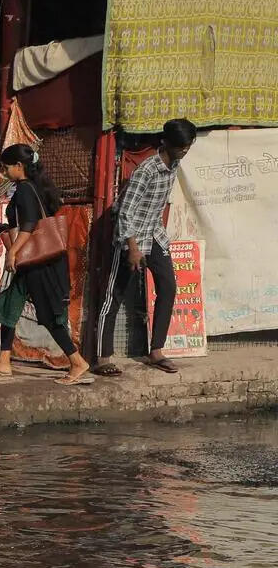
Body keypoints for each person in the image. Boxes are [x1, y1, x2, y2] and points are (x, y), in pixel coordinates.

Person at [0, 144, 91, 385]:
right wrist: (4, 230)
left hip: (40, 264)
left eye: (6, 167)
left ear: (19, 166)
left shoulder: (25, 189)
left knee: (48, 315)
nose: (4, 172)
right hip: (32, 261)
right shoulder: (35, 187)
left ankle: (77, 361)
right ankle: (3, 361)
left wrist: (12, 252)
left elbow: (29, 225)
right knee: (9, 306)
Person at [92, 118, 197, 376]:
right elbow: (125, 212)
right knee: (114, 296)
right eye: (180, 145)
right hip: (130, 238)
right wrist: (133, 248)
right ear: (166, 142)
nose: (184, 150)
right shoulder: (147, 171)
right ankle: (102, 359)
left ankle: (156, 351)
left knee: (168, 287)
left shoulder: (174, 165)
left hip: (155, 235)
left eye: (187, 145)